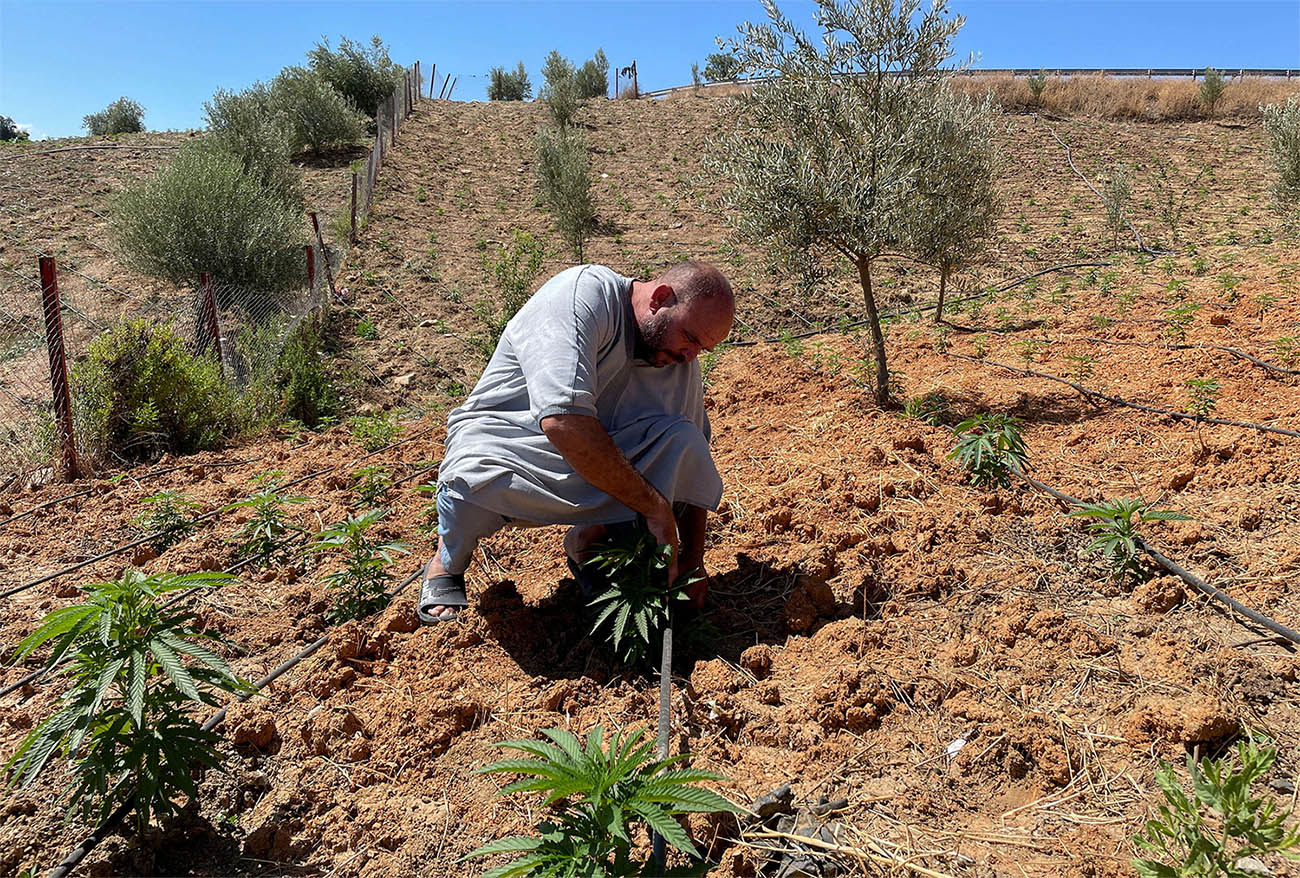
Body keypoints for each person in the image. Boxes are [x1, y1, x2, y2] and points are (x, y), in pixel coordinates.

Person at [418, 260, 735, 623]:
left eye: (702, 349)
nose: (691, 356)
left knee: (682, 439)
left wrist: (693, 562)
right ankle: (447, 560)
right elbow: (562, 421)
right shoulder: (581, 298)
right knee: (475, 475)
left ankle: (590, 543)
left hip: (598, 459)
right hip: (518, 443)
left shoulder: (676, 356)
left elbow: (691, 459)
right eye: (691, 338)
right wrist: (656, 509)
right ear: (660, 298)